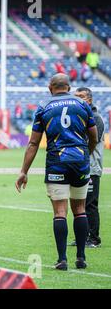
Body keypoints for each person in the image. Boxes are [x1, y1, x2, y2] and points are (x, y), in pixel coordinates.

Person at [15, 74, 98, 270]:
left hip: (57, 162)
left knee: (60, 212)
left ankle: (62, 259)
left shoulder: (44, 108)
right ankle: (81, 257)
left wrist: (24, 171)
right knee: (80, 209)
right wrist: (86, 153)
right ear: (68, 87)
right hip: (80, 162)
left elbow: (33, 143)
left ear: (50, 87)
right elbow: (93, 136)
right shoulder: (83, 105)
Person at [73, 87, 104, 248]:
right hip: (79, 166)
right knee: (79, 203)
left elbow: (88, 141)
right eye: (76, 96)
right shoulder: (78, 117)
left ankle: (94, 238)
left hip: (91, 167)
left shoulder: (96, 118)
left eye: (82, 97)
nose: (78, 99)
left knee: (90, 204)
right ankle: (82, 236)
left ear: (89, 100)